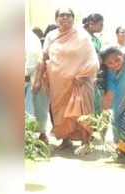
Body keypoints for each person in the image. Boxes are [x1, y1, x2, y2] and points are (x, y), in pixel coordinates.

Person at [33, 8, 99, 154]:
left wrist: (83, 75)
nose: (65, 18)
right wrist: (38, 79)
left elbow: (92, 59)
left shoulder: (82, 36)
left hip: (79, 83)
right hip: (58, 83)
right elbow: (44, 57)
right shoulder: (51, 36)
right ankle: (65, 140)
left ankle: (85, 141)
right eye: (61, 15)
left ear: (73, 18)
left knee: (81, 112)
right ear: (56, 19)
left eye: (68, 15)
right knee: (60, 112)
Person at [83, 13, 105, 114]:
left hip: (96, 76)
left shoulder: (96, 40)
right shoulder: (81, 36)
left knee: (96, 105)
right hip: (83, 76)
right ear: (91, 23)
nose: (102, 27)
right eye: (101, 24)